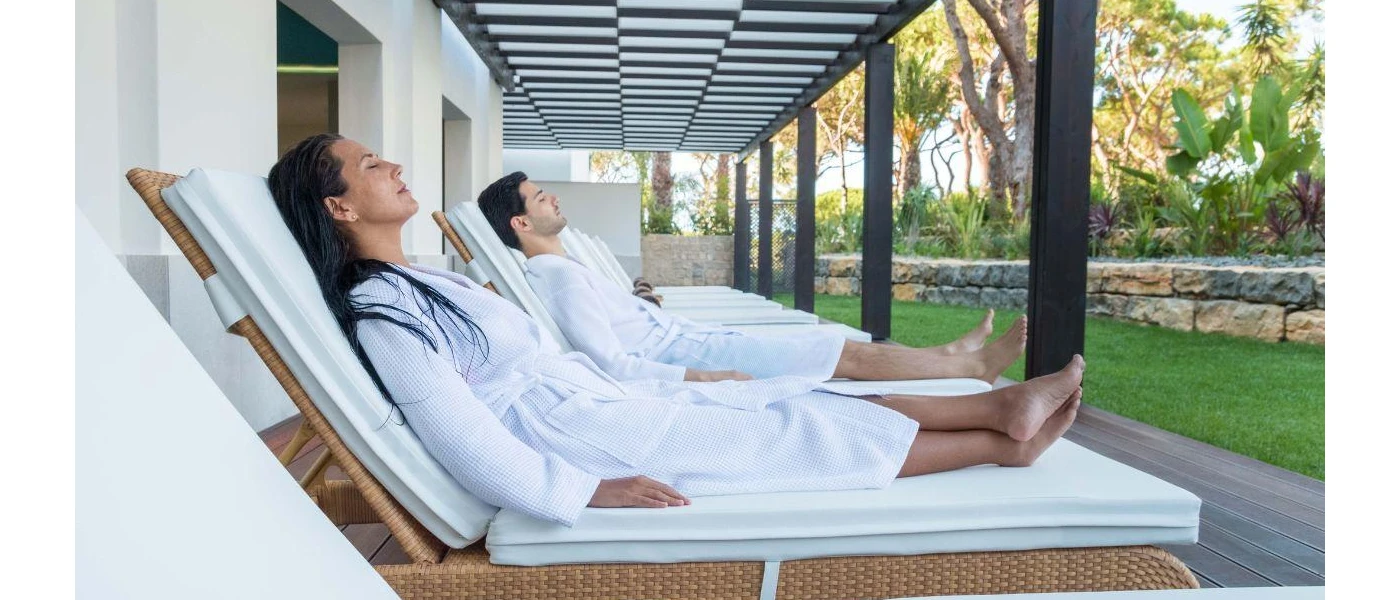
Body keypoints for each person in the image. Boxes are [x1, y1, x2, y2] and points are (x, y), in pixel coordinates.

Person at [267, 134, 1084, 528]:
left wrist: (655, 383)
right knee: (791, 431)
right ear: (339, 206)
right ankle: (999, 439)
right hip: (580, 437)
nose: (392, 166)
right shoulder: (384, 313)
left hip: (590, 406)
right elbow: (458, 433)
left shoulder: (421, 282)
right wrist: (579, 489)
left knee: (790, 398)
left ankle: (999, 408)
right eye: (369, 166)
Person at [478, 171, 1025, 384]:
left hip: (694, 340)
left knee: (836, 349)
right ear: (522, 222)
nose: (551, 195)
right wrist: (703, 379)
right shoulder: (559, 279)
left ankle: (951, 357)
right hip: (695, 358)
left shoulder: (562, 264)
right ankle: (972, 366)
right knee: (842, 352)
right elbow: (609, 364)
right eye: (537, 197)